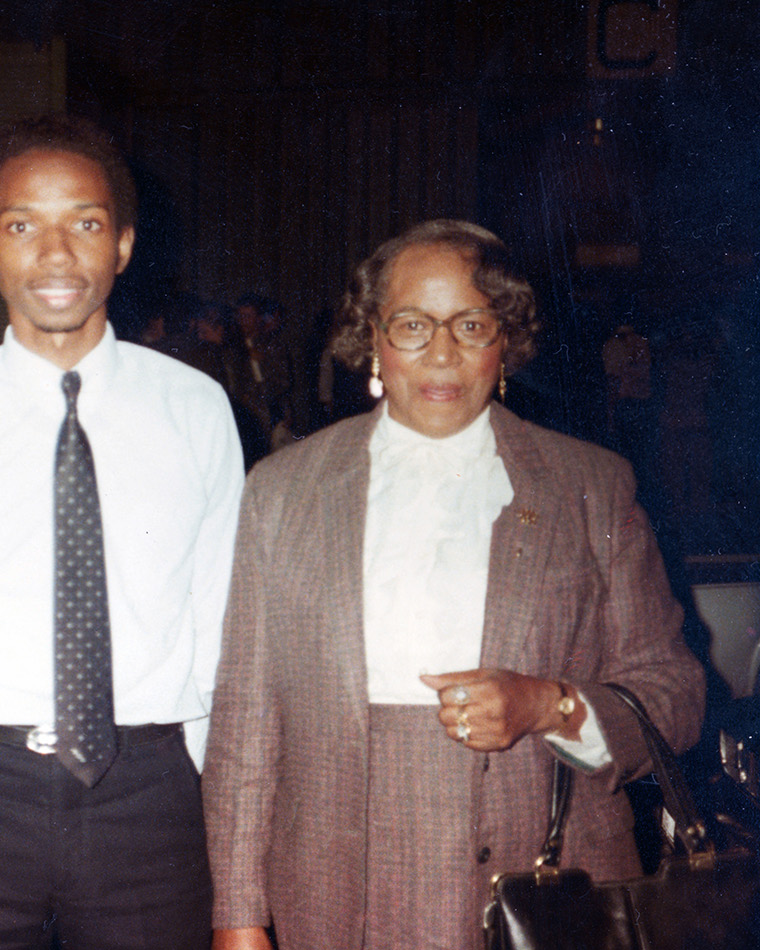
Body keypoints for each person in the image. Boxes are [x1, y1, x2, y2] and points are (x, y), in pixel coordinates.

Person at [204, 219, 704, 950]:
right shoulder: (283, 491)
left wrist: (550, 705)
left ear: (505, 343)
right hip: (337, 891)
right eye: (412, 324)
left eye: (471, 325)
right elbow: (246, 727)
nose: (442, 353)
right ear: (372, 337)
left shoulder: (589, 485)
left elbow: (676, 694)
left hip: (544, 885)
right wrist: (239, 917)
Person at [0, 114, 244, 949]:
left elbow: (215, 618)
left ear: (121, 244)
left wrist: (197, 782)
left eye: (84, 223)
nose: (55, 253)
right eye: (21, 226)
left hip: (148, 793)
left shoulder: (195, 408)